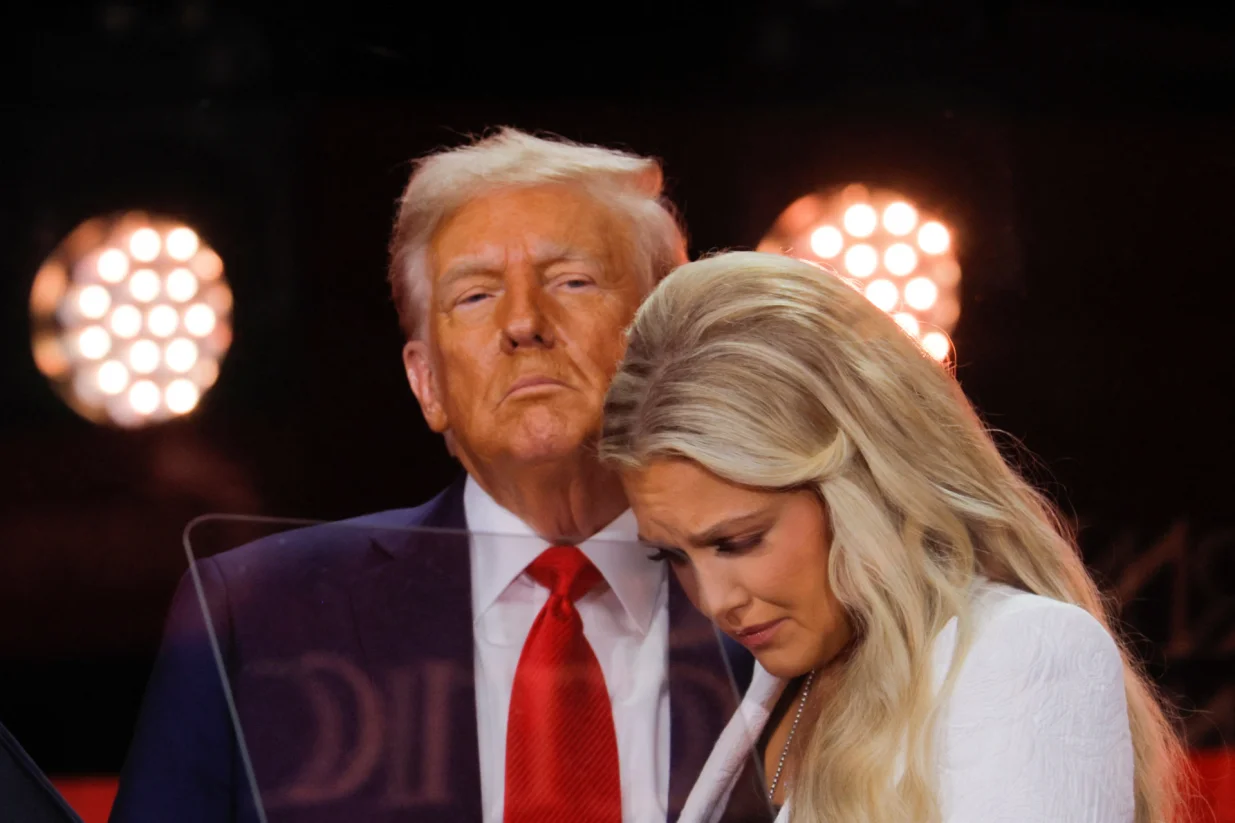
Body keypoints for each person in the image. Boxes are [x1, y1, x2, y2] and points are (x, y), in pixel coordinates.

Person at [110, 130, 755, 823]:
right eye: (475, 296)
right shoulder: (254, 615)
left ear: (667, 342)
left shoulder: (790, 607)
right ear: (426, 383)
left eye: (572, 280)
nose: (523, 323)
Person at [600, 251, 1186, 822]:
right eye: (672, 555)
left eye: (740, 541)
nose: (714, 601)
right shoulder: (775, 681)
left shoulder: (1022, 651)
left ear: (864, 485)